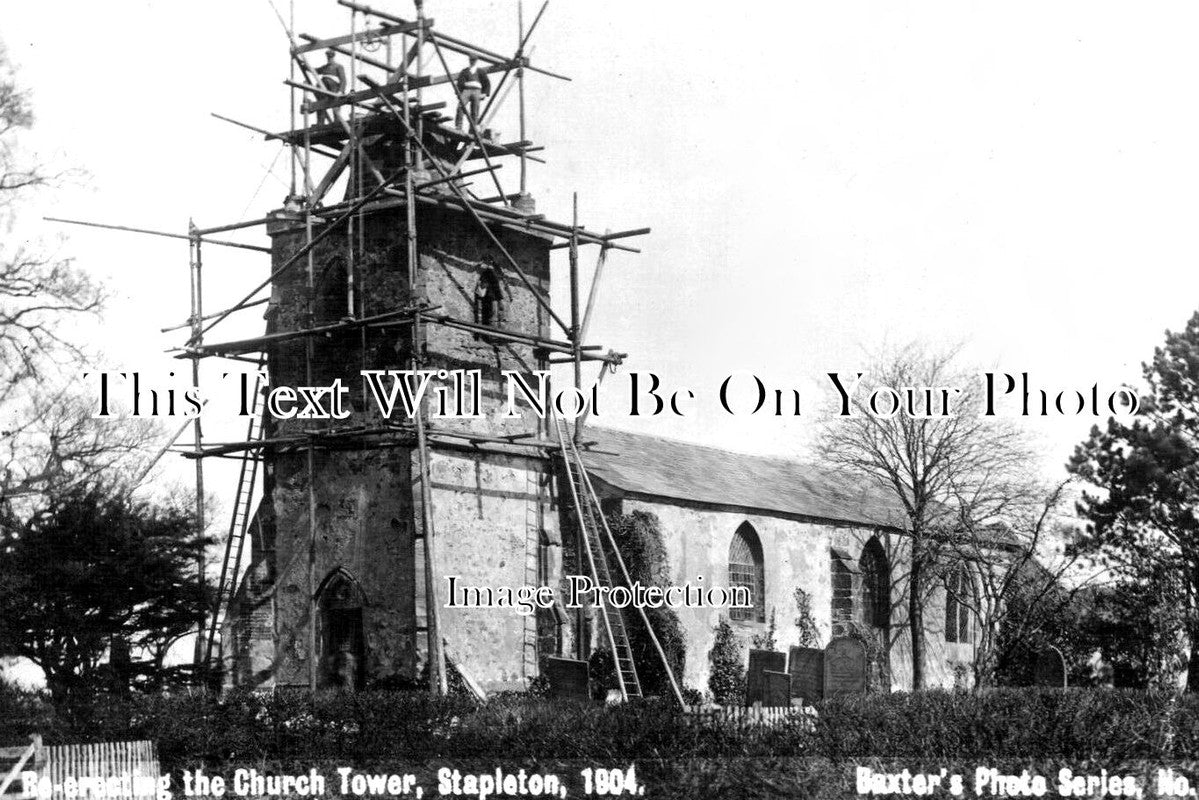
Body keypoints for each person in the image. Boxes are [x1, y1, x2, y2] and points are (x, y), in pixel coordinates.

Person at [454, 56, 491, 131]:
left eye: (474, 60)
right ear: (469, 60)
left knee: (474, 110)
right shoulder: (465, 71)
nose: (472, 61)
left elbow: (487, 83)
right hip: (466, 90)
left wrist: (485, 93)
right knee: (460, 106)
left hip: (477, 91)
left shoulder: (481, 71)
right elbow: (460, 83)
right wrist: (459, 94)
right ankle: (459, 126)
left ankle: (473, 128)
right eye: (471, 60)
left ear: (476, 61)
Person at [315, 49, 346, 125]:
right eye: (328, 57)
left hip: (334, 87)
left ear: (333, 57)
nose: (329, 59)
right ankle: (320, 122)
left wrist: (341, 91)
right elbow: (314, 70)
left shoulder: (338, 66)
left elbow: (343, 80)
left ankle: (336, 121)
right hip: (323, 86)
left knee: (335, 102)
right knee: (321, 102)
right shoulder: (324, 67)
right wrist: (303, 64)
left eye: (330, 57)